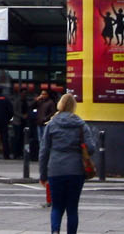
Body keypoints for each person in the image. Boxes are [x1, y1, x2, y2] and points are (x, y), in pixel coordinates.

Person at [38, 91, 93, 234]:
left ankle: (55, 231)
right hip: (76, 170)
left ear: (60, 105)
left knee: (56, 207)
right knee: (72, 208)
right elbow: (91, 148)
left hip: (55, 169)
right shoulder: (81, 125)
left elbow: (44, 152)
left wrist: (43, 175)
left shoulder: (51, 124)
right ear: (74, 106)